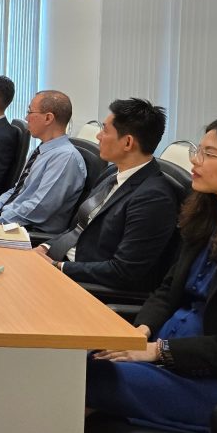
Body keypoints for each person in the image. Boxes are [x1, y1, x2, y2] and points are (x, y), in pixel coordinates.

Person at [86, 115, 217, 433]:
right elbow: (167, 290)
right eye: (198, 150)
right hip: (164, 358)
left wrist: (159, 351)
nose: (195, 161)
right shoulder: (207, 217)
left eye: (209, 154)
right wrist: (140, 331)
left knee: (83, 376)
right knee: (70, 359)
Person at [35, 98, 180, 292]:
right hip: (63, 263)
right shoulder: (112, 173)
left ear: (128, 142)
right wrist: (45, 247)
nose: (98, 136)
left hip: (85, 286)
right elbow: (79, 228)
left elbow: (123, 271)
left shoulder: (153, 198)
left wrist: (58, 267)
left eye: (105, 130)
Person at [0, 90, 86, 234]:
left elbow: (38, 208)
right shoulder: (41, 150)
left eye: (30, 112)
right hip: (9, 219)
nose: (26, 118)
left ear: (48, 118)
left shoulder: (65, 158)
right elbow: (18, 190)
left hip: (27, 231)